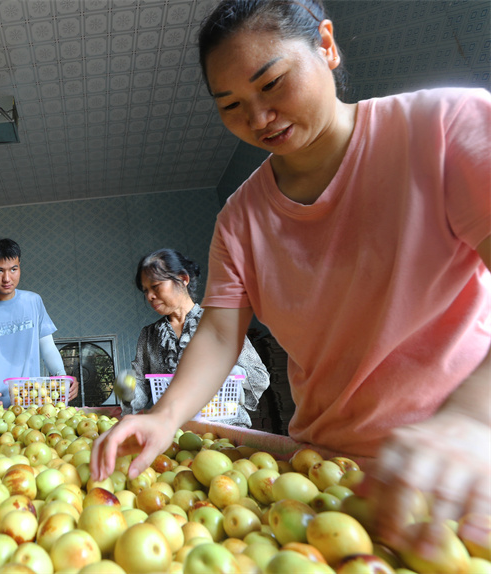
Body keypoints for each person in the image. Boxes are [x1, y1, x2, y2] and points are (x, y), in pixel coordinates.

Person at [91, 0, 490, 559]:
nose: (258, 118)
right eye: (231, 105)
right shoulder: (240, 219)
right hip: (326, 474)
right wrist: (164, 416)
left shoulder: (445, 127)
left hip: (468, 472)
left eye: (273, 83)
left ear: (326, 46)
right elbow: (219, 333)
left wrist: (473, 419)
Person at [124, 249, 270, 428]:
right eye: (145, 291)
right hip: (173, 433)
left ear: (183, 279)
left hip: (226, 430)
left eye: (155, 287)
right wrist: (127, 389)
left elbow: (260, 377)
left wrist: (233, 373)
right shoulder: (149, 335)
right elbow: (142, 387)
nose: (149, 296)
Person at [0, 238, 79, 409]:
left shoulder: (33, 301)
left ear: (20, 267)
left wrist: (62, 377)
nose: (7, 278)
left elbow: (48, 347)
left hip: (32, 407)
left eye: (13, 269)